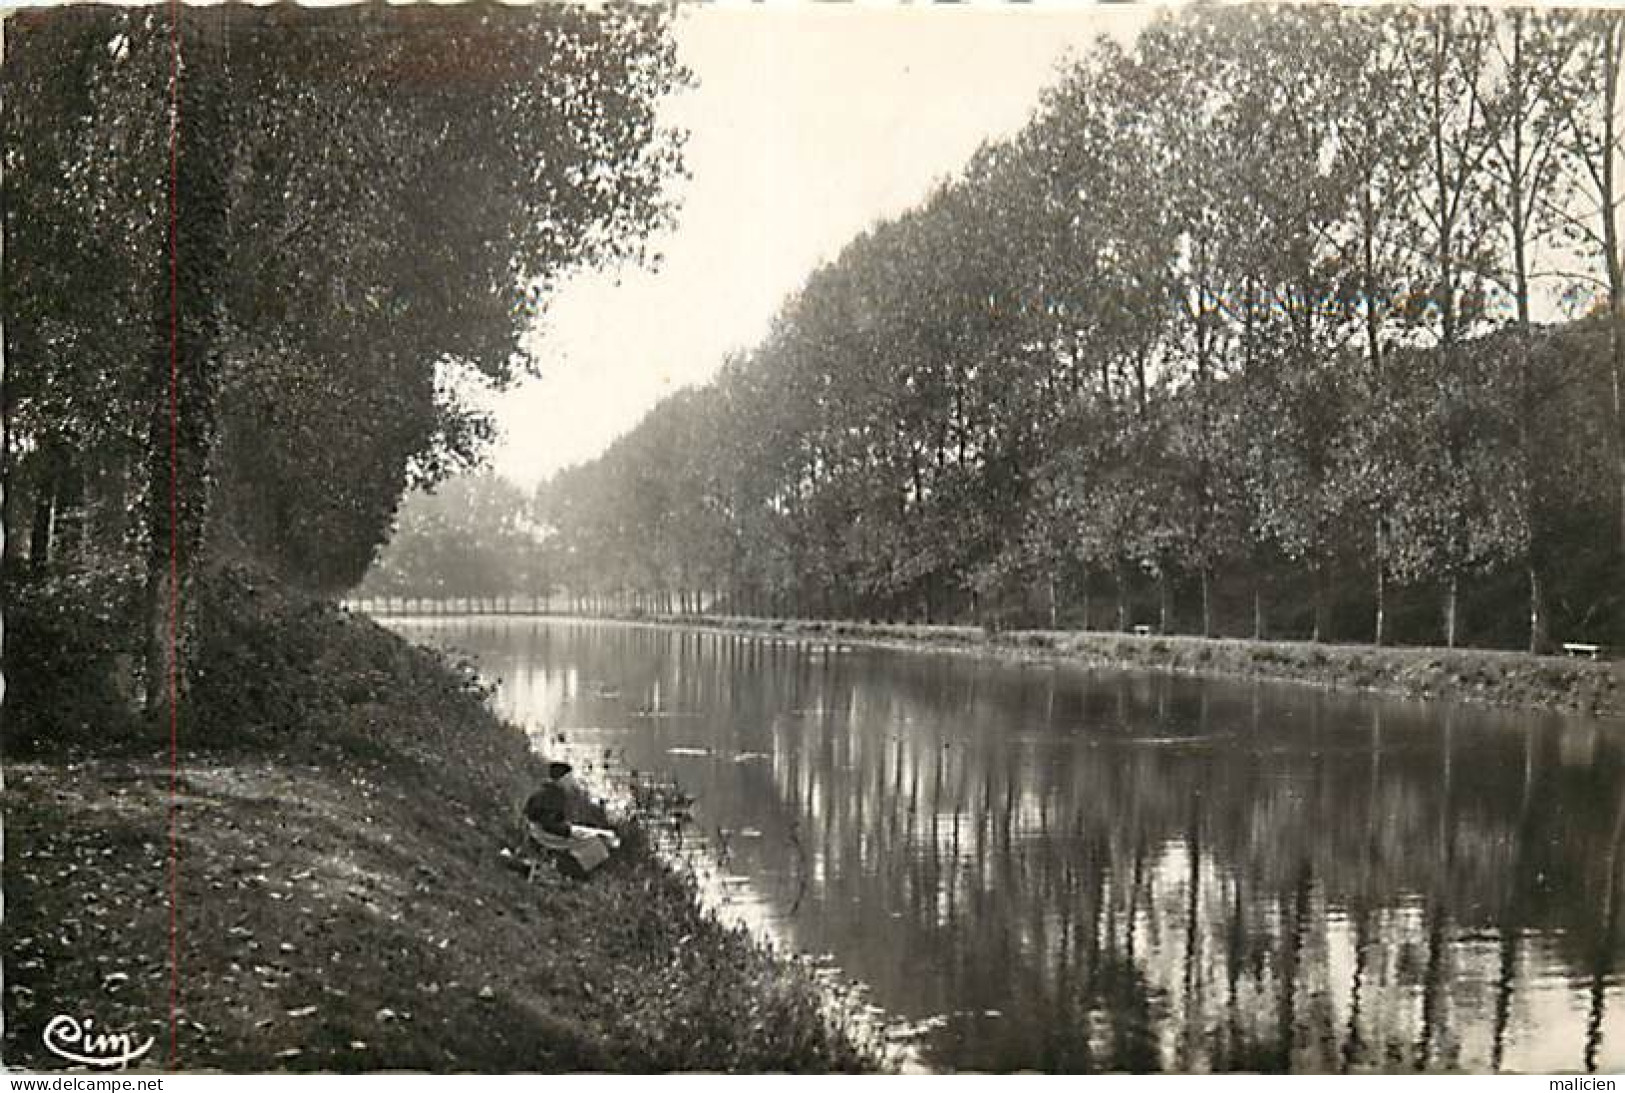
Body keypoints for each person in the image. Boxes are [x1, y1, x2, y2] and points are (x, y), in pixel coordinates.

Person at [522, 761, 620, 877]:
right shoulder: (553, 794)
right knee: (594, 840)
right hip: (543, 834)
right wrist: (570, 831)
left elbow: (545, 818)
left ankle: (577, 867)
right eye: (569, 778)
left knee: (596, 834)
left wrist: (571, 829)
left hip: (538, 830)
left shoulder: (547, 791)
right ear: (562, 779)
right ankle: (576, 871)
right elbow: (549, 824)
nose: (572, 781)